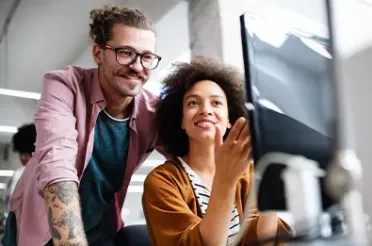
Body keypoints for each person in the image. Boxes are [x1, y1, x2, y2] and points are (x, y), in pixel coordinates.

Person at [2, 5, 163, 246]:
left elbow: (193, 159)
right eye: (126, 53)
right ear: (98, 54)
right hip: (42, 226)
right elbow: (57, 160)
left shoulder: (153, 111)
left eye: (147, 57)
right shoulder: (65, 85)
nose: (138, 66)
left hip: (101, 228)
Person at [142, 56, 292, 246]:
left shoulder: (249, 173)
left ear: (230, 119)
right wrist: (225, 180)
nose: (206, 110)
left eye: (216, 103)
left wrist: (271, 172)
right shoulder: (163, 181)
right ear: (180, 120)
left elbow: (265, 240)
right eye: (193, 103)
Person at [3, 123, 36, 219]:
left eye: (27, 153)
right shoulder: (50, 173)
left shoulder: (19, 175)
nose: (23, 158)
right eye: (21, 153)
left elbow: (11, 208)